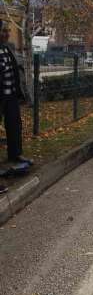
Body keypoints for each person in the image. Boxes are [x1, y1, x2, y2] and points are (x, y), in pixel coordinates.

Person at [0, 19, 32, 187]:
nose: (7, 34)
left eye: (7, 31)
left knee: (14, 125)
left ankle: (15, 154)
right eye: (3, 31)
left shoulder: (8, 48)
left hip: (11, 96)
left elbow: (17, 69)